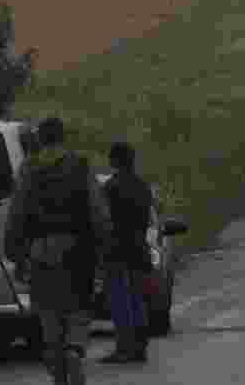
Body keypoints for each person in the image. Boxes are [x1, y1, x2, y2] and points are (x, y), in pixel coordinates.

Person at [5, 117, 112, 385]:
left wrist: (15, 251)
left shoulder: (28, 168)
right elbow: (98, 212)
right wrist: (103, 244)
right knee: (78, 308)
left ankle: (57, 364)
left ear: (40, 139)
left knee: (49, 315)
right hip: (78, 250)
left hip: (40, 251)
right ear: (63, 137)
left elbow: (17, 213)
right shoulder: (80, 165)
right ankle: (74, 350)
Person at [99, 141, 155, 364]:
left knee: (120, 299)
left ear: (114, 161)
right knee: (137, 299)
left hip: (117, 249)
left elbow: (105, 220)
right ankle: (139, 346)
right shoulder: (142, 186)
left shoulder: (111, 187)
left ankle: (124, 347)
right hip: (138, 248)